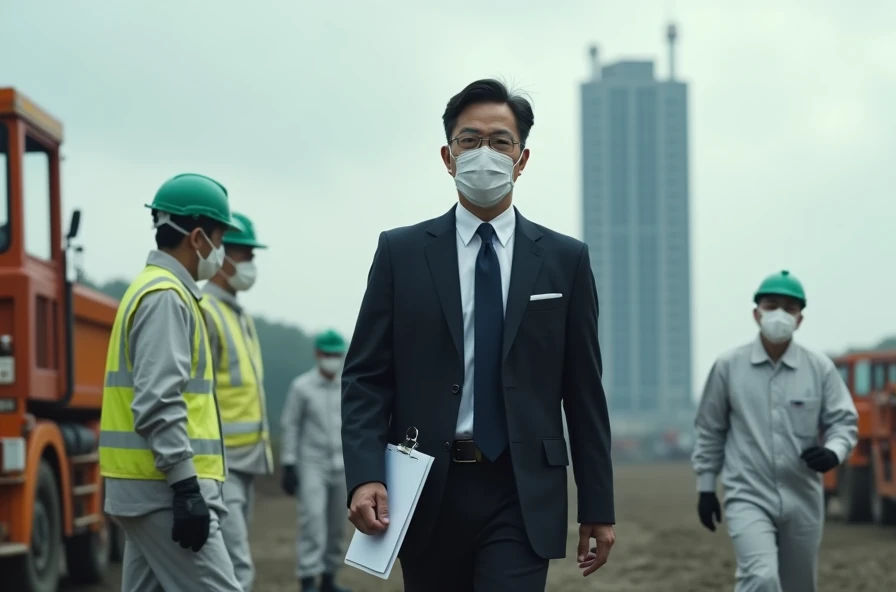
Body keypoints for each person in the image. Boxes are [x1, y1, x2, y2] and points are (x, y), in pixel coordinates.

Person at [341, 78, 616, 592]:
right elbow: (365, 378)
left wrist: (598, 504)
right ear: (448, 156)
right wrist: (364, 474)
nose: (483, 153)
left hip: (521, 488)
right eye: (469, 141)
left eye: (499, 141)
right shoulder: (401, 254)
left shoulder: (564, 261)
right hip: (425, 486)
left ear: (522, 158)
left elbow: (583, 392)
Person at [97, 173, 243, 591]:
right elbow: (158, 401)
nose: (221, 252)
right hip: (164, 490)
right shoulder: (165, 297)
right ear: (197, 237)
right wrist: (186, 487)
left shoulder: (153, 289)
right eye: (220, 239)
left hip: (149, 489)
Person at [691, 270, 859, 592]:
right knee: (762, 577)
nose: (780, 313)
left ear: (800, 319)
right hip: (748, 495)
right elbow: (710, 430)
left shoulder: (819, 368)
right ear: (756, 313)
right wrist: (706, 487)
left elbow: (844, 422)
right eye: (772, 304)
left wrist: (833, 452)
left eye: (790, 307)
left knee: (799, 586)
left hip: (804, 497)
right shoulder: (728, 366)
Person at [199, 211, 273, 592]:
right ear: (222, 256)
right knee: (233, 570)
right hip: (220, 462)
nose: (250, 265)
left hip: (242, 460)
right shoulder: (207, 311)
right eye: (245, 255)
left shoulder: (236, 313)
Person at [279, 330, 353, 592]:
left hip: (341, 465)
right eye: (328, 354)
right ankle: (308, 578)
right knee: (313, 521)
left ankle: (329, 578)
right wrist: (288, 463)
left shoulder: (348, 384)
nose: (333, 359)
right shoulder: (302, 387)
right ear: (317, 354)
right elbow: (291, 425)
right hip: (312, 464)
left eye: (337, 354)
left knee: (337, 526)